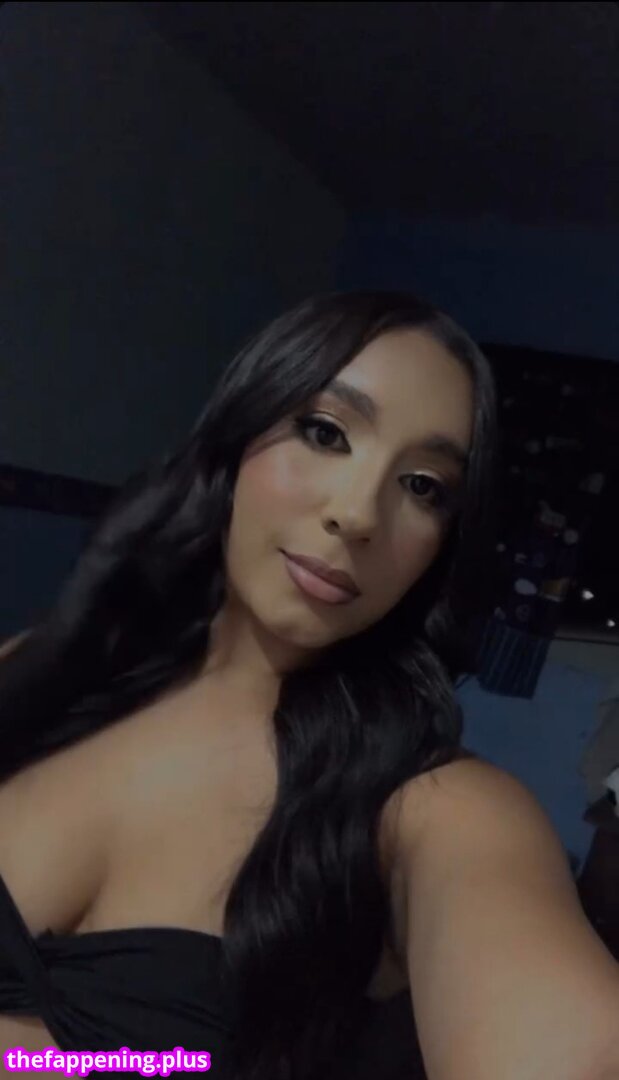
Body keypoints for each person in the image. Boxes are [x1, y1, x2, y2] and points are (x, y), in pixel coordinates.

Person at [0, 290, 617, 1080]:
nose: (358, 514)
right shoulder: (38, 672)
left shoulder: (436, 813)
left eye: (423, 486)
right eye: (325, 433)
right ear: (237, 436)